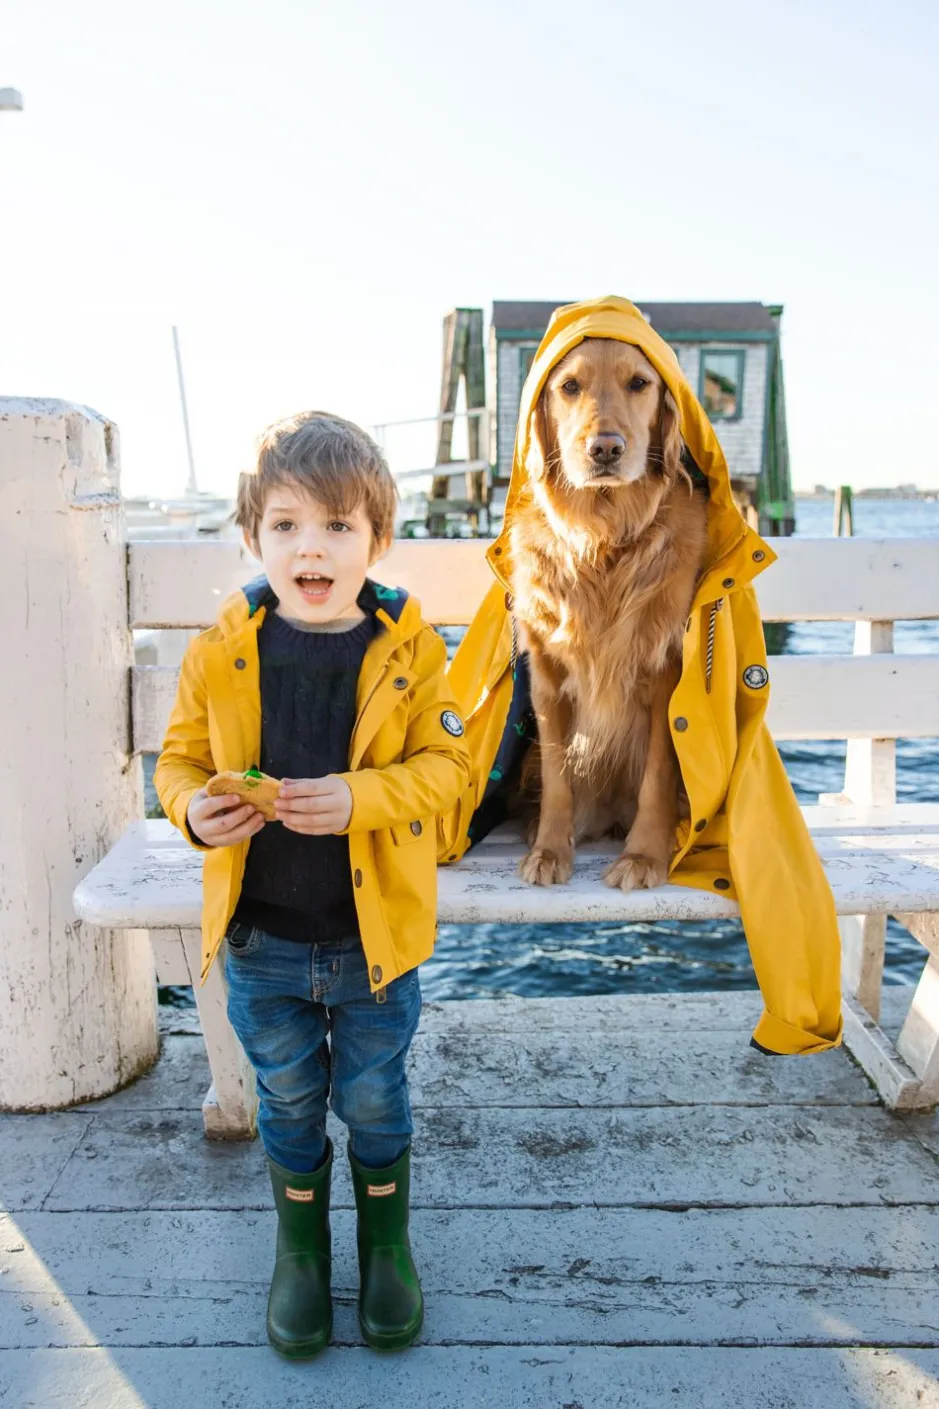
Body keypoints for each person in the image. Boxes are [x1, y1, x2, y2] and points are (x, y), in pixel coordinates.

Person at [154, 410, 471, 1357]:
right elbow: (178, 762)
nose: (311, 548)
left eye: (338, 525)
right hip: (260, 941)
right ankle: (299, 1249)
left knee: (373, 1095)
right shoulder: (221, 649)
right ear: (252, 535)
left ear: (379, 538)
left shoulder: (410, 648)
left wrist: (360, 797)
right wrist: (192, 809)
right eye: (286, 524)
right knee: (287, 1099)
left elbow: (448, 768)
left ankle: (384, 1246)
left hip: (375, 941)